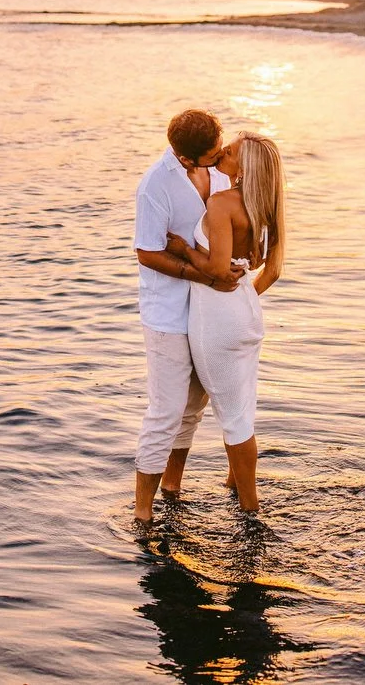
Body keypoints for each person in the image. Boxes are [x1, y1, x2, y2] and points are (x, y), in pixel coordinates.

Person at [133, 109, 244, 524]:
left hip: (209, 309)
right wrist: (199, 272)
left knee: (194, 405)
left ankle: (173, 487)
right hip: (167, 314)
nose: (220, 159)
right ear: (185, 158)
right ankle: (142, 512)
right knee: (166, 409)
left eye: (220, 149)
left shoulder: (219, 172)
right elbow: (147, 251)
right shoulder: (155, 187)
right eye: (212, 155)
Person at [167, 132, 285, 512]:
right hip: (246, 312)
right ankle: (228, 485)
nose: (222, 152)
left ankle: (251, 510)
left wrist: (183, 248)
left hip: (217, 318)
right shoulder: (268, 205)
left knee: (233, 418)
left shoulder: (222, 203)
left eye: (230, 152)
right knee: (239, 406)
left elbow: (218, 269)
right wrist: (242, 296)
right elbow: (272, 271)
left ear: (244, 167)